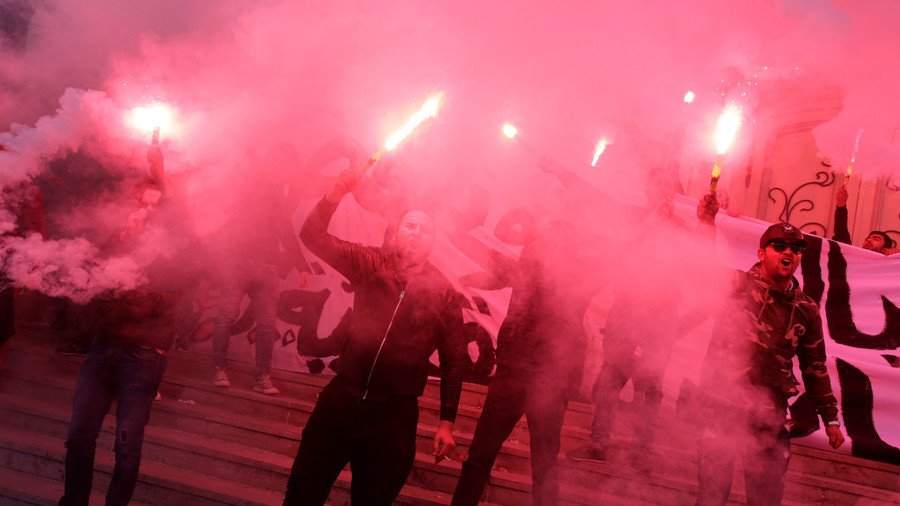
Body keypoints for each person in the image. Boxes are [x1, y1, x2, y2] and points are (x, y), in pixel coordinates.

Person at [283, 167, 467, 505]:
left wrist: (447, 422)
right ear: (396, 233)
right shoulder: (369, 262)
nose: (415, 233)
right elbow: (312, 236)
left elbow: (454, 359)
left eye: (425, 229)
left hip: (393, 418)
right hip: (341, 402)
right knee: (302, 494)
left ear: (432, 241)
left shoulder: (442, 292)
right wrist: (333, 196)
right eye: (409, 226)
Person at [59, 144, 196, 505]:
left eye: (153, 202)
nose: (145, 209)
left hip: (143, 355)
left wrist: (162, 174)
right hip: (104, 348)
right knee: (78, 437)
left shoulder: (175, 243)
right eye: (140, 201)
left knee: (127, 447)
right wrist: (120, 238)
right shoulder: (123, 235)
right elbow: (94, 272)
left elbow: (185, 228)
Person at [693, 194, 845, 505]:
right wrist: (707, 223)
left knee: (766, 497)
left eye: (796, 248)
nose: (789, 252)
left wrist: (831, 419)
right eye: (780, 246)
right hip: (720, 406)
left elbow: (815, 367)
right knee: (711, 494)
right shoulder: (735, 285)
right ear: (762, 252)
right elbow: (702, 265)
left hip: (769, 414)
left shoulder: (806, 309)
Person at [451, 219, 605, 506]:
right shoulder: (525, 271)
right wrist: (449, 224)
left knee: (542, 466)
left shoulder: (580, 281)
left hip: (550, 382)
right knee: (480, 457)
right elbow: (484, 254)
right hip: (511, 376)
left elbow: (619, 260)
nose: (540, 249)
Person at [210, 144, 312, 395]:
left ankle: (262, 377)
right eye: (281, 164)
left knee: (266, 325)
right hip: (239, 263)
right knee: (226, 315)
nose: (285, 171)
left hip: (267, 269)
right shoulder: (251, 186)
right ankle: (218, 369)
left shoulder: (280, 195)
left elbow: (286, 232)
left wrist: (301, 266)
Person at [833, 185, 897, 255]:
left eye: (876, 239)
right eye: (867, 239)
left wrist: (896, 255)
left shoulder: (890, 263)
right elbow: (841, 232)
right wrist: (841, 207)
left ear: (885, 248)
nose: (869, 240)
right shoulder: (851, 256)